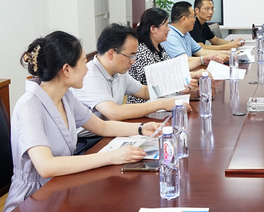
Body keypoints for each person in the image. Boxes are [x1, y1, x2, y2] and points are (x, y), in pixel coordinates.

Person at [2, 31, 155, 212]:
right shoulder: (29, 106)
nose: (87, 69)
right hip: (32, 202)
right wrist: (112, 157)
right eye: (83, 62)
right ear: (66, 70)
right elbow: (46, 166)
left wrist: (141, 129)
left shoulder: (66, 96)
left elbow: (102, 126)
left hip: (61, 187)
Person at [73, 23, 188, 151]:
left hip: (110, 132)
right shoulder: (90, 76)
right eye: (130, 56)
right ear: (111, 54)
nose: (133, 61)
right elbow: (114, 112)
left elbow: (144, 92)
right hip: (88, 142)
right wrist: (162, 103)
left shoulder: (119, 72)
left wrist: (178, 86)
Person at [127, 7, 205, 104]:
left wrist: (189, 78)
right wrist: (186, 80)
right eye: (166, 25)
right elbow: (158, 83)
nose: (169, 29)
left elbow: (171, 71)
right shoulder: (141, 51)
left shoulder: (159, 47)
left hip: (162, 101)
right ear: (153, 29)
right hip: (144, 105)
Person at [163, 1, 227, 69]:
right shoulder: (170, 36)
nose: (195, 20)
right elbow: (184, 60)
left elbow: (201, 51)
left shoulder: (186, 33)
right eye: (193, 16)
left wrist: (228, 53)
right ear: (184, 19)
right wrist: (203, 59)